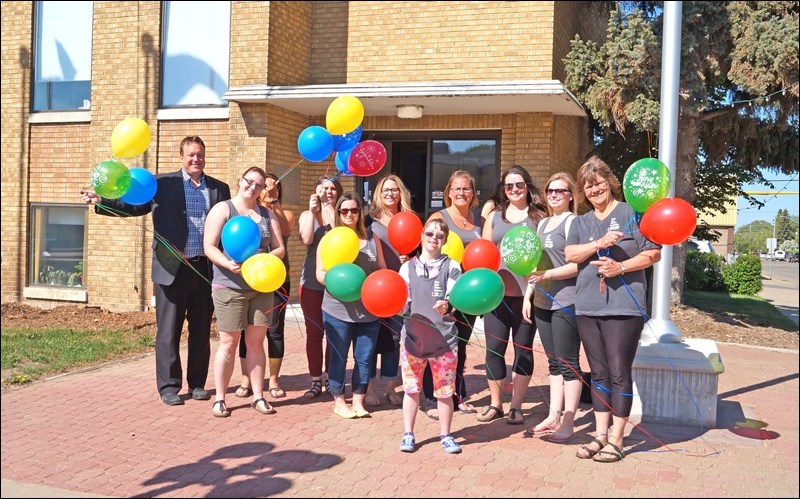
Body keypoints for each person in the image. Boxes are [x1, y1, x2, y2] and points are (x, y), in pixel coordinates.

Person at [80, 136, 231, 406]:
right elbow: (134, 206)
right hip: (171, 269)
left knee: (200, 331)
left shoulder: (220, 189)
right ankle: (169, 387)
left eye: (200, 154)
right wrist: (100, 200)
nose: (195, 159)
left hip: (204, 270)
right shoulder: (162, 184)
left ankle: (197, 384)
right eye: (190, 155)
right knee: (168, 331)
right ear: (181, 157)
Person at [565, 156, 661, 463]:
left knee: (619, 371)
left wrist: (621, 266)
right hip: (588, 306)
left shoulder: (633, 212)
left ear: (611, 182)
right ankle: (599, 435)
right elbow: (570, 253)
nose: (594, 190)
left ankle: (617, 440)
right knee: (599, 373)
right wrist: (598, 243)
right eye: (588, 186)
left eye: (599, 183)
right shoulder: (581, 221)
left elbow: (653, 254)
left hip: (624, 306)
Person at [203, 167, 285, 417]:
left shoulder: (267, 215)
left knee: (256, 343)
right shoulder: (223, 209)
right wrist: (227, 263)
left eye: (260, 185)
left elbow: (279, 248)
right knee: (228, 342)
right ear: (241, 181)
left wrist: (262, 263)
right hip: (229, 287)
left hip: (260, 287)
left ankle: (258, 396)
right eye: (250, 182)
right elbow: (209, 246)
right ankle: (220, 398)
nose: (253, 188)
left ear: (263, 190)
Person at [478, 165, 547, 424]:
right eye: (509, 186)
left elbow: (544, 257)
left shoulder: (540, 217)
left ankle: (516, 406)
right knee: (494, 349)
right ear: (503, 190)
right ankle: (495, 403)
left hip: (527, 297)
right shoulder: (495, 216)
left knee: (523, 350)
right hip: (496, 296)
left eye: (519, 184)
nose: (514, 190)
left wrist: (532, 291)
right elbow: (484, 254)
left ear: (527, 186)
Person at [521, 172, 581, 441]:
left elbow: (578, 265)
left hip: (566, 301)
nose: (554, 194)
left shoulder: (573, 223)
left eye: (560, 190)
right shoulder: (543, 223)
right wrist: (529, 293)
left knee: (569, 364)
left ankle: (569, 422)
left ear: (570, 196)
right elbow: (536, 265)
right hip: (542, 301)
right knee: (554, 363)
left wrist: (548, 277)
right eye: (550, 190)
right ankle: (553, 415)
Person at [316, 192, 386, 419]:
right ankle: (338, 400)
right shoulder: (329, 238)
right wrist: (338, 283)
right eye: (343, 210)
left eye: (353, 210)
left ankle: (358, 400)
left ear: (360, 212)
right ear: (337, 213)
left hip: (368, 310)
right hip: (337, 309)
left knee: (365, 358)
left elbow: (382, 269)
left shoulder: (372, 238)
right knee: (339, 356)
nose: (349, 214)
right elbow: (319, 273)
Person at [397, 218, 464, 454]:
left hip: (444, 341)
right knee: (411, 389)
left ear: (445, 240)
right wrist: (396, 307)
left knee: (445, 391)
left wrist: (448, 305)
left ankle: (445, 435)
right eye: (429, 234)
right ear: (421, 236)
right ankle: (408, 434)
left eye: (439, 235)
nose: (434, 239)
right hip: (413, 340)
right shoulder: (406, 268)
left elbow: (455, 297)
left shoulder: (452, 265)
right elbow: (402, 302)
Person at [424, 170, 483, 418]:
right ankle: (430, 397)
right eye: (456, 189)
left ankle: (457, 395)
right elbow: (428, 248)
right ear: (448, 192)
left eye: (466, 188)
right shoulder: (440, 217)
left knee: (460, 344)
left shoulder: (479, 221)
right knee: (438, 343)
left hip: (470, 293)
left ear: (473, 193)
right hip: (443, 291)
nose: (461, 193)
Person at [234, 173, 296, 400]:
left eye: (274, 186)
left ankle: (274, 380)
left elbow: (286, 229)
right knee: (247, 329)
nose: (269, 189)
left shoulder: (280, 213)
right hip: (249, 277)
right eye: (265, 186)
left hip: (278, 278)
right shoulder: (249, 213)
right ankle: (245, 379)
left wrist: (273, 201)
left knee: (275, 329)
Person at [364, 174, 416, 407]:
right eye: (385, 190)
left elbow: (421, 249)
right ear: (378, 193)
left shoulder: (411, 218)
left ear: (400, 192)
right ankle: (368, 389)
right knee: (371, 338)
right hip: (376, 287)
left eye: (394, 190)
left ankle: (390, 387)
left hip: (402, 287)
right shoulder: (368, 219)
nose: (390, 194)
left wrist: (411, 257)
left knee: (395, 338)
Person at [298, 176, 343, 398]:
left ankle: (330, 377)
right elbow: (306, 239)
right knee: (314, 333)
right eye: (324, 188)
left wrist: (327, 213)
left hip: (338, 283)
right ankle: (315, 379)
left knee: (335, 332)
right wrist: (312, 212)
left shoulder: (343, 215)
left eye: (333, 188)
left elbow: (338, 235)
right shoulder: (307, 215)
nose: (329, 192)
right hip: (312, 284)